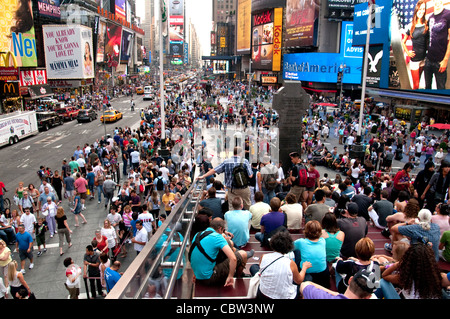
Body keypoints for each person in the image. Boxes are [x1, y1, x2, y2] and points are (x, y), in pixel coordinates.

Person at [249, 231, 311, 299]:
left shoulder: (264, 256)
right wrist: (304, 268)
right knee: (308, 278)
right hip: (285, 297)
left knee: (254, 267)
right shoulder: (290, 263)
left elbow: (261, 271)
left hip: (263, 295)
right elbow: (299, 281)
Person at [189, 217, 249, 287]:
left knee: (230, 243)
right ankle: (238, 276)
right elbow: (233, 259)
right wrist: (230, 276)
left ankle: (234, 251)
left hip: (198, 274)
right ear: (220, 229)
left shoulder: (198, 234)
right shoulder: (217, 237)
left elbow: (193, 254)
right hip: (209, 277)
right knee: (243, 254)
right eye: (223, 230)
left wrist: (195, 273)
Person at [300, 267, 379, 299]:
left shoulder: (324, 296)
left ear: (350, 280)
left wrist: (334, 293)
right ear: (368, 297)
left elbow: (304, 285)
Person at [293, 220, 330, 288]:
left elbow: (290, 247)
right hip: (322, 269)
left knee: (297, 252)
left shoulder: (301, 242)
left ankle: (298, 275)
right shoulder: (323, 241)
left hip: (307, 269)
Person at [401, 0, 429, 89]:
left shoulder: (426, 24)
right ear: (416, 10)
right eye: (420, 9)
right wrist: (408, 53)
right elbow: (403, 42)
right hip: (415, 60)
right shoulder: (411, 25)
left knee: (420, 82)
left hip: (424, 59)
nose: (421, 11)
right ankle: (413, 101)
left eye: (423, 9)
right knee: (416, 86)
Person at [424, 0, 450, 90]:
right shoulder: (430, 17)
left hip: (440, 61)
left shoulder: (448, 14)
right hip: (428, 60)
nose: (437, 4)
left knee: (441, 89)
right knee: (427, 88)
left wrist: (445, 60)